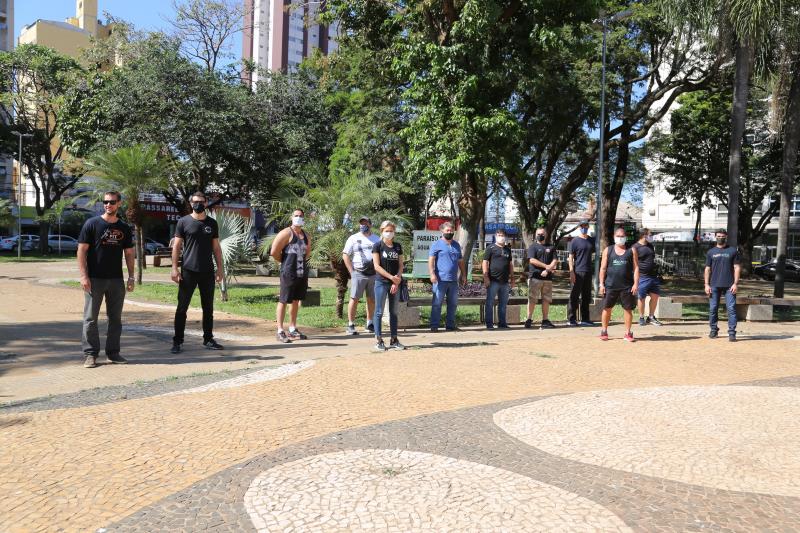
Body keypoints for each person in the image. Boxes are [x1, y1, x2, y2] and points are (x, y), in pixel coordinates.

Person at [77, 191, 136, 368]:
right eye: (105, 202)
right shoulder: (92, 224)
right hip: (94, 279)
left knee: (115, 319)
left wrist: (131, 276)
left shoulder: (124, 227)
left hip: (116, 280)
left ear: (119, 203)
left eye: (111, 202)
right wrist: (83, 276)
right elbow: (81, 251)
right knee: (90, 318)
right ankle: (90, 354)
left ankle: (113, 353)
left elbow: (129, 253)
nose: (108, 205)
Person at [170, 192, 225, 354]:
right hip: (188, 271)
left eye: (201, 202)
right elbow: (177, 246)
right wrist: (174, 268)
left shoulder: (212, 223)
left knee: (208, 308)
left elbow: (216, 248)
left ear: (206, 203)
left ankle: (208, 339)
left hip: (207, 271)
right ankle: (177, 341)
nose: (198, 204)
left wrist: (220, 269)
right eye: (195, 202)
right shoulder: (183, 222)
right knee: (182, 308)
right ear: (190, 203)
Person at [270, 208, 312, 344]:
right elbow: (274, 251)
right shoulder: (286, 233)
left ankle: (292, 328)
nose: (298, 217)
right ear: (291, 217)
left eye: (300, 216)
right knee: (283, 300)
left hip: (301, 272)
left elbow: (308, 253)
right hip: (288, 273)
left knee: (296, 300)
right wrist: (285, 262)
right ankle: (280, 330)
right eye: (296, 215)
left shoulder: (306, 235)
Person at [598, 226, 639, 342]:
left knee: (628, 309)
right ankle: (604, 331)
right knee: (607, 308)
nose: (620, 238)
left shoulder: (631, 251)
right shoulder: (608, 250)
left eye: (622, 236)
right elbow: (603, 268)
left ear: (626, 238)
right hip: (610, 285)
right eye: (618, 236)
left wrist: (636, 284)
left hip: (627, 286)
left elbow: (636, 268)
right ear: (614, 237)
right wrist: (601, 284)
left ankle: (628, 333)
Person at [342, 216, 380, 335]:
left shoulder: (377, 239)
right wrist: (351, 271)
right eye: (361, 223)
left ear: (370, 225)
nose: (363, 225)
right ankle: (350, 324)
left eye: (365, 223)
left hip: (373, 274)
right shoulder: (353, 238)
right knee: (354, 298)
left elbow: (380, 255)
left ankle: (369, 323)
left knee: (372, 300)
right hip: (358, 273)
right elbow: (345, 255)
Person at [372, 220, 405, 351]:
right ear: (382, 231)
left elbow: (401, 265)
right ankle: (379, 340)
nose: (389, 233)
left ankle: (394, 339)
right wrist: (392, 278)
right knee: (379, 311)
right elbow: (376, 266)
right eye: (387, 231)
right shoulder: (377, 246)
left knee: (394, 312)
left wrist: (397, 279)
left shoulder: (398, 246)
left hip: (395, 283)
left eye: (391, 231)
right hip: (381, 283)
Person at [428, 221, 467, 332]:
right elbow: (431, 260)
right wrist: (432, 274)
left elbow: (460, 261)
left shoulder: (456, 245)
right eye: (447, 230)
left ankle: (450, 325)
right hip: (440, 280)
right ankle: (434, 325)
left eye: (451, 230)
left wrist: (463, 275)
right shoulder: (436, 244)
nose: (449, 232)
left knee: (453, 304)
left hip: (453, 280)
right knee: (437, 304)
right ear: (442, 231)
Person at [705, 228, 741, 341]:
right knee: (713, 309)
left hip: (729, 286)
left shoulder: (733, 251)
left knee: (731, 308)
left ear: (726, 237)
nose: (721, 238)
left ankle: (732, 333)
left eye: (723, 236)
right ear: (715, 237)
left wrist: (735, 283)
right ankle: (713, 330)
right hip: (714, 285)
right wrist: (706, 284)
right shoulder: (711, 252)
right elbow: (707, 269)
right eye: (719, 236)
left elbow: (737, 268)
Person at [525, 227, 557, 329]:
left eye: (542, 234)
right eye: (538, 234)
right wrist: (546, 266)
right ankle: (529, 319)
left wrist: (547, 270)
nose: (540, 235)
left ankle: (545, 320)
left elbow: (555, 260)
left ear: (546, 235)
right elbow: (532, 260)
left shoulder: (551, 247)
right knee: (532, 299)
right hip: (535, 278)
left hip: (547, 279)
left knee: (546, 300)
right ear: (535, 235)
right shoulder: (532, 247)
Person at [483, 228, 515, 329]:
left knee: (503, 304)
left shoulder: (507, 250)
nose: (501, 237)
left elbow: (510, 265)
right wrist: (486, 277)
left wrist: (512, 278)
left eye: (502, 235)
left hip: (505, 282)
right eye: (499, 235)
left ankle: (502, 323)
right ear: (496, 236)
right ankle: (489, 324)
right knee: (490, 302)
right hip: (493, 280)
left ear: (505, 237)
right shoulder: (490, 248)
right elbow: (485, 262)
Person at [567, 219, 595, 326]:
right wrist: (571, 272)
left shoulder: (592, 240)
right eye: (582, 226)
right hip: (578, 271)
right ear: (579, 228)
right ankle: (571, 319)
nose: (584, 228)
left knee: (586, 296)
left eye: (586, 226)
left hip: (588, 271)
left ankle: (585, 319)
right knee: (574, 296)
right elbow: (570, 258)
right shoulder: (574, 241)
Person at [632, 228, 663, 326]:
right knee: (641, 297)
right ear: (644, 235)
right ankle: (641, 317)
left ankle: (651, 317)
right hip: (642, 276)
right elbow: (633, 263)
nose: (652, 236)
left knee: (655, 296)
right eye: (650, 234)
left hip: (653, 276)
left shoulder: (650, 246)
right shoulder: (635, 247)